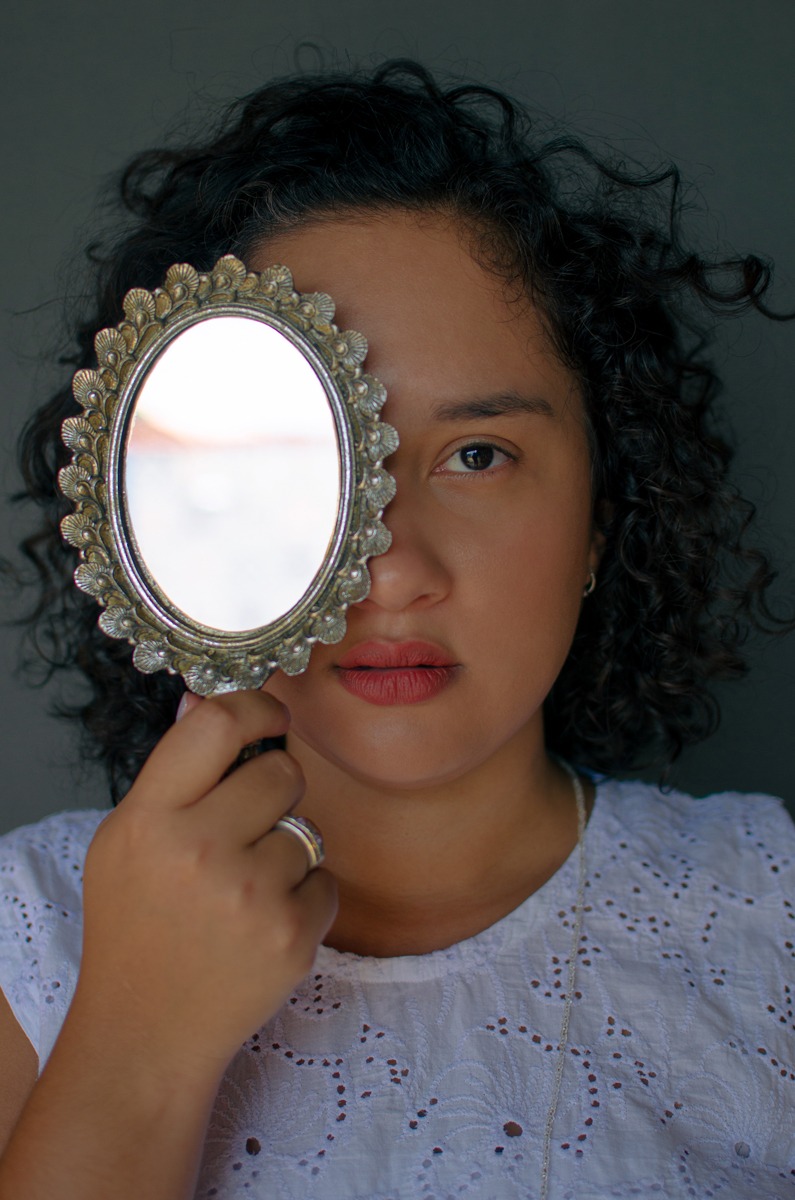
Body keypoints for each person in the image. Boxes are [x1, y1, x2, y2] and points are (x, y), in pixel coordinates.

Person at [0, 59, 792, 1200]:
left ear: (601, 519)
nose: (393, 570)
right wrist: (133, 1046)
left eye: (476, 455)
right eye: (312, 461)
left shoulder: (774, 916)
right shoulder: (32, 936)